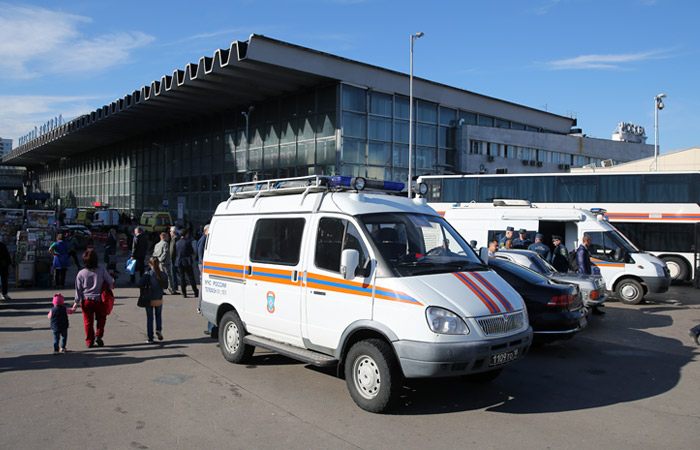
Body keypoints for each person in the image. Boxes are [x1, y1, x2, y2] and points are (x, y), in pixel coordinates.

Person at [73, 249, 115, 348]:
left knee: (88, 321)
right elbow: (111, 282)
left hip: (86, 300)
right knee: (101, 318)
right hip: (100, 300)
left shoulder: (81, 273)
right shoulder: (102, 270)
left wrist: (76, 302)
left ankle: (89, 341)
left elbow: (78, 289)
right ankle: (99, 334)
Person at [139, 257, 169, 344]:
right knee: (158, 315)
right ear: (159, 264)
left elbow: (139, 284)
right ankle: (158, 329)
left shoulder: (147, 274)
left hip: (149, 298)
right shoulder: (163, 274)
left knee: (149, 318)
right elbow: (166, 286)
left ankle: (150, 337)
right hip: (159, 298)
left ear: (149, 264)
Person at [577, 234, 605, 315]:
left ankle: (594, 309)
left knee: (593, 291)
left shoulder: (584, 249)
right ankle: (586, 310)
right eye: (590, 241)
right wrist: (585, 276)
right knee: (586, 293)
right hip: (583, 274)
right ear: (587, 241)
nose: (591, 243)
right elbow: (581, 263)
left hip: (586, 273)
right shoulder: (581, 250)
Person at [198, 224, 214, 335]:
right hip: (204, 265)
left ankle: (211, 328)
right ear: (205, 231)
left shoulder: (208, 238)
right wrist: (203, 264)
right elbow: (200, 252)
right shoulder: (204, 239)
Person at [176, 229, 198, 298]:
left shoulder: (177, 243)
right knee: (191, 277)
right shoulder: (188, 242)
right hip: (187, 261)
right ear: (186, 234)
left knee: (182, 277)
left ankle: (184, 293)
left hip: (179, 261)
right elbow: (191, 251)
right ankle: (195, 291)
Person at [169, 226, 181, 294]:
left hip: (174, 258)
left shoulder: (174, 238)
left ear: (173, 232)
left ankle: (175, 286)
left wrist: (170, 258)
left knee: (173, 272)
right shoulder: (178, 237)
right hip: (177, 257)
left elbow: (172, 249)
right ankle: (183, 281)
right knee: (177, 272)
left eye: (170, 231)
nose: (170, 232)